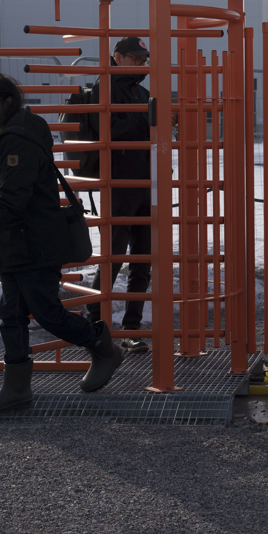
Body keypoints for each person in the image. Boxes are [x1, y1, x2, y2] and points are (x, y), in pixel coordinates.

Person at [0, 71, 123, 413]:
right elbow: (28, 183)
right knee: (12, 316)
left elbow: (14, 202)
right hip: (19, 243)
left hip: (34, 242)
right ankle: (16, 388)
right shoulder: (26, 128)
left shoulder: (15, 138)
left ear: (7, 101)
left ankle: (102, 346)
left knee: (47, 313)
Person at [83, 37, 153, 354]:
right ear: (118, 57)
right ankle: (96, 325)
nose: (141, 64)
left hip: (146, 183)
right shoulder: (104, 88)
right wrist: (146, 120)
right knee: (113, 258)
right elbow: (108, 129)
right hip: (118, 184)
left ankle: (131, 329)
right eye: (136, 58)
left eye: (144, 59)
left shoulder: (143, 93)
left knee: (142, 261)